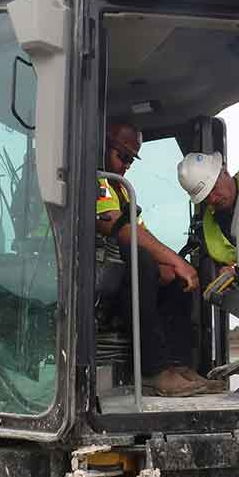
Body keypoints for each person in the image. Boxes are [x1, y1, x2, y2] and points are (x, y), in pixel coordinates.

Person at [97, 123, 220, 397]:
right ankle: (152, 370)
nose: (127, 164)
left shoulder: (123, 190)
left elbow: (141, 231)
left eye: (131, 159)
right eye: (122, 155)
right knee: (143, 260)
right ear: (102, 145)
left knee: (173, 274)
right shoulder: (96, 180)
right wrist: (173, 261)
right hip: (80, 269)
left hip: (114, 268)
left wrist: (173, 264)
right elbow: (118, 227)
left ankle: (177, 366)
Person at [176, 151, 239, 268]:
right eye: (206, 198)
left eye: (214, 189)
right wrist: (228, 270)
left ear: (225, 172)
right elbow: (229, 263)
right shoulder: (209, 228)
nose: (213, 199)